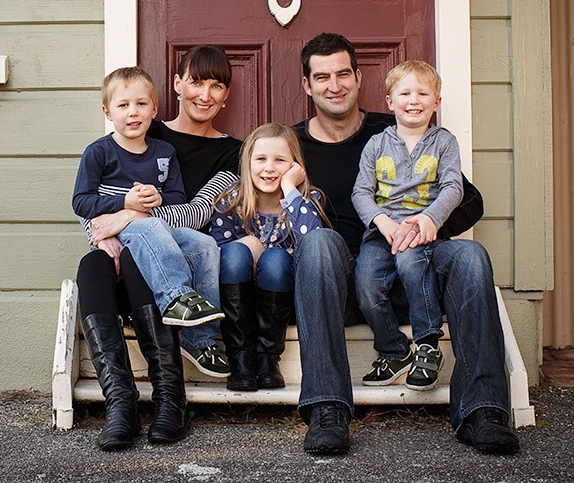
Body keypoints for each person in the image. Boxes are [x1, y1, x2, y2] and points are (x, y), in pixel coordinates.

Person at [292, 32, 519, 455]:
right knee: (318, 244)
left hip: (412, 269)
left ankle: (483, 410)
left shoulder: (396, 129)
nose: (335, 85)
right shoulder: (293, 144)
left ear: (360, 78)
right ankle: (328, 409)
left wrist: (418, 231)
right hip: (339, 284)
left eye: (344, 74)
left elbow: (469, 201)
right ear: (307, 86)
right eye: (322, 77)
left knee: (471, 255)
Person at [75, 46, 242, 450]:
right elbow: (86, 203)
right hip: (125, 252)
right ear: (177, 86)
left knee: (173, 250)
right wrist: (105, 231)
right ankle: (121, 404)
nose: (204, 94)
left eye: (216, 85)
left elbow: (195, 209)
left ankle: (173, 393)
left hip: (162, 262)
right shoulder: (132, 137)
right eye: (196, 82)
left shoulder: (219, 152)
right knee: (91, 265)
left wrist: (132, 216)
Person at [72, 66, 225, 331]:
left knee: (205, 243)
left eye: (141, 104)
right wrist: (124, 203)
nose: (133, 112)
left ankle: (202, 337)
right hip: (119, 235)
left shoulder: (165, 151)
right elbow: (81, 202)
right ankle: (176, 297)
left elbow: (179, 197)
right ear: (107, 112)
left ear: (153, 110)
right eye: (123, 105)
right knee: (149, 225)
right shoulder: (98, 152)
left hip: (160, 231)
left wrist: (159, 197)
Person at [351, 60, 463, 391]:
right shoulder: (376, 145)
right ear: (389, 101)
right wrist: (382, 221)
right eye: (405, 93)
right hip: (381, 233)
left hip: (420, 232)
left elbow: (453, 187)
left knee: (410, 262)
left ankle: (427, 344)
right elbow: (360, 192)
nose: (414, 100)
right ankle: (393, 350)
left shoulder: (444, 142)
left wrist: (429, 218)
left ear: (437, 102)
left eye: (423, 93)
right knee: (366, 282)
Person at [210, 123, 326, 391]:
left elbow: (314, 242)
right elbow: (214, 258)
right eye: (261, 159)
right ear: (247, 161)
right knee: (235, 251)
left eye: (280, 161)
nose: (269, 168)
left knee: (275, 259)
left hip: (282, 302)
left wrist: (289, 188)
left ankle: (267, 360)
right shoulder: (230, 203)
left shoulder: (306, 199)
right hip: (238, 301)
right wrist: (246, 246)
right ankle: (239, 358)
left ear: (295, 165)